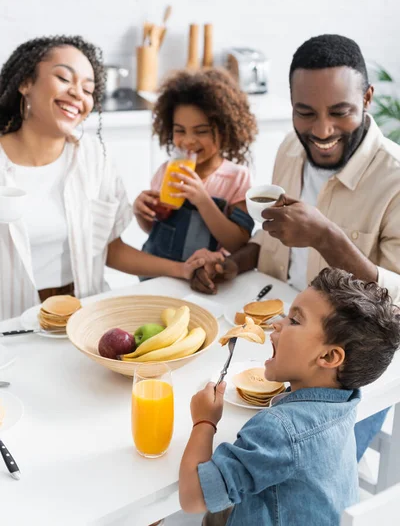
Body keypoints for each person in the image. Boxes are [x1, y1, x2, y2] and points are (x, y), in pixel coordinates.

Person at [190, 34, 400, 459]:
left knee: (261, 476)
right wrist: (232, 264)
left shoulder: (395, 179)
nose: (322, 131)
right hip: (272, 338)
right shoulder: (291, 149)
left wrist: (326, 236)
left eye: (340, 113)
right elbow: (269, 241)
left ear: (368, 99)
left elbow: (395, 309)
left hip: (341, 378)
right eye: (305, 113)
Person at [0, 36, 204, 321]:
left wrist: (180, 269)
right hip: (9, 324)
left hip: (82, 318)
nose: (77, 94)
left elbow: (110, 249)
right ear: (25, 83)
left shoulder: (95, 160)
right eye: (63, 78)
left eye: (88, 89)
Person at [179, 268, 400, 526]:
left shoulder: (278, 430)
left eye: (294, 321)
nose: (277, 323)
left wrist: (204, 422)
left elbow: (193, 497)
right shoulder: (345, 399)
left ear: (329, 357)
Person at [133, 68, 257, 264]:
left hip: (207, 279)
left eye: (201, 131)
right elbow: (158, 231)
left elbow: (239, 242)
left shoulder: (237, 178)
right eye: (180, 131)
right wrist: (142, 213)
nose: (188, 141)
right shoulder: (167, 171)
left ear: (225, 131)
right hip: (160, 275)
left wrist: (202, 200)